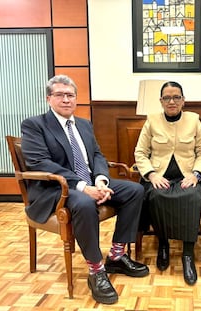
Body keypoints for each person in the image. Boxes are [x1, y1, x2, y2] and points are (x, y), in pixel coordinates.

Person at [20, 75, 149, 305]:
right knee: (83, 202)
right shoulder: (35, 125)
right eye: (60, 95)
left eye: (70, 95)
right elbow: (40, 162)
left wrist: (100, 180)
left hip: (89, 181)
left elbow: (97, 155)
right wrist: (82, 187)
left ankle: (117, 255)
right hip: (55, 190)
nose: (66, 100)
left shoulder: (84, 124)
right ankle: (96, 269)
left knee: (135, 190)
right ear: (49, 98)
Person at [134, 81, 201, 285]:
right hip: (160, 176)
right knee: (156, 196)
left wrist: (196, 175)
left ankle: (187, 254)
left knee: (191, 197)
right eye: (167, 97)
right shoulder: (151, 121)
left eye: (176, 97)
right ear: (161, 101)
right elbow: (140, 153)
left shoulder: (194, 120)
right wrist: (151, 175)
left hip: (187, 176)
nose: (172, 101)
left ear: (183, 100)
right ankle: (164, 245)